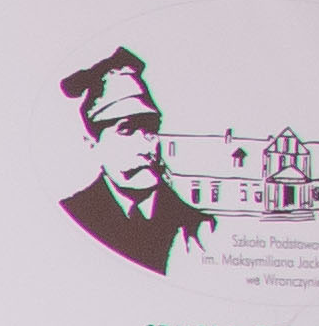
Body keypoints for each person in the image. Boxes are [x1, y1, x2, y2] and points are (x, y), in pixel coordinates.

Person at [56, 46, 207, 274]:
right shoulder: (72, 215)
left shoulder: (196, 228)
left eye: (151, 129)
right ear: (92, 142)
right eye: (127, 129)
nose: (147, 145)